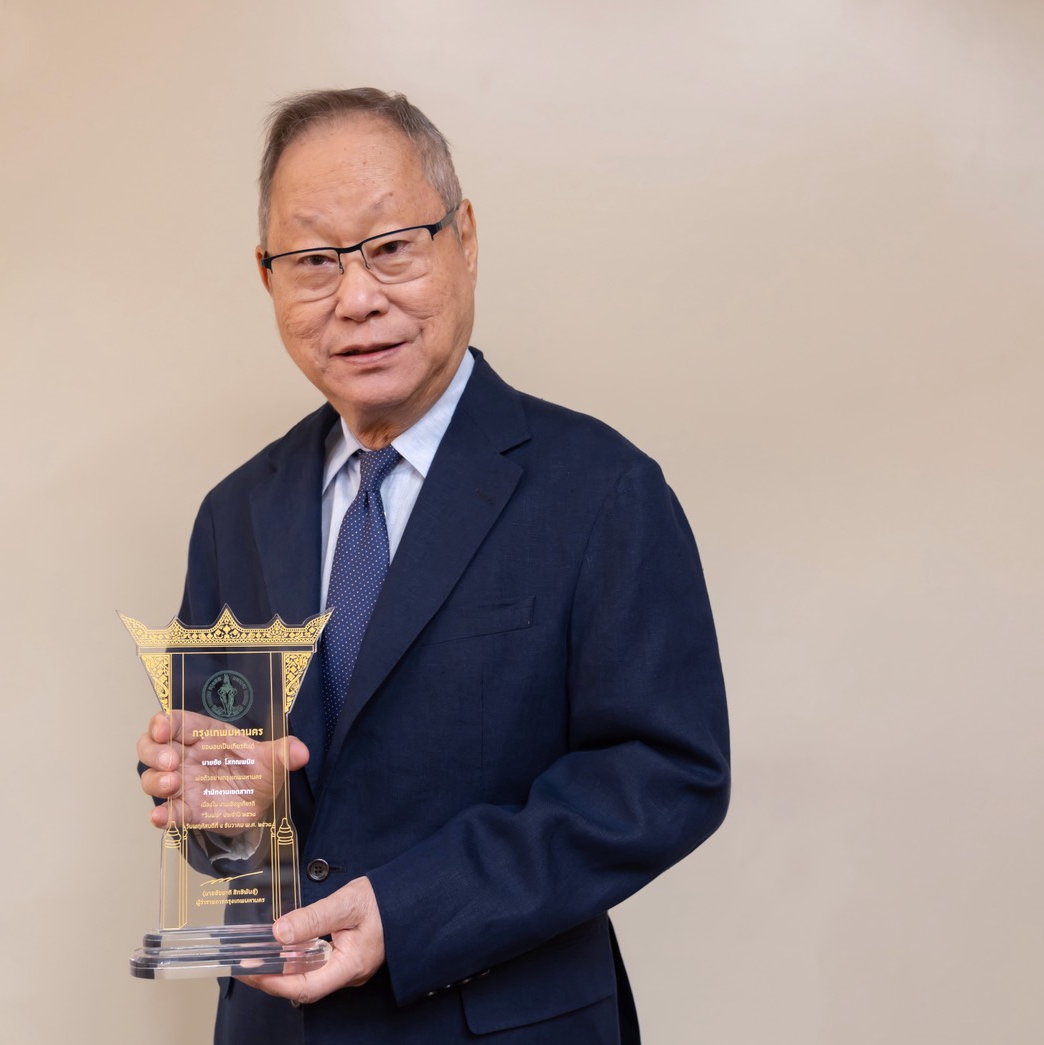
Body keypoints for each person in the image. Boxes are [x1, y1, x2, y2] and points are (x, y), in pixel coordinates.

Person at [134, 87, 729, 1045]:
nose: (356, 297)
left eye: (392, 246)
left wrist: (410, 909)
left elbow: (667, 773)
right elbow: (231, 818)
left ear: (465, 237)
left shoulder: (600, 488)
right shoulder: (236, 512)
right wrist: (214, 804)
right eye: (314, 261)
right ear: (267, 277)